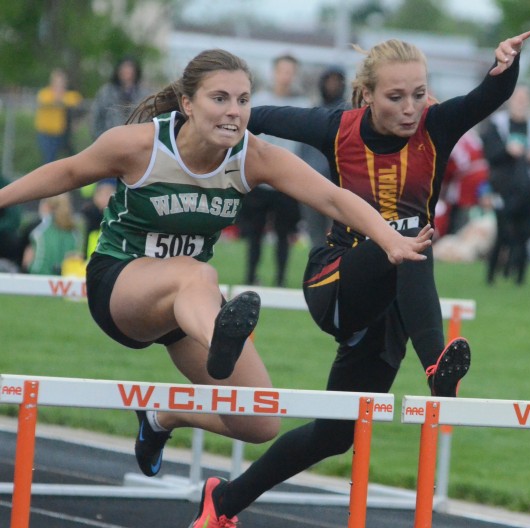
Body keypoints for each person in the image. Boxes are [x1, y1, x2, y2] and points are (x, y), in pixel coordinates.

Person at [179, 31, 530, 528]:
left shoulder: (437, 126)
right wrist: (201, 110)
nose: (412, 108)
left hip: (391, 312)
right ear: (366, 95)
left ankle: (223, 500)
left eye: (420, 93)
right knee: (410, 231)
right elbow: (258, 116)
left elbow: (488, 98)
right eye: (396, 97)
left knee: (334, 434)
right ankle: (437, 366)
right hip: (336, 285)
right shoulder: (335, 128)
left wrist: (504, 66)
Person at [0, 48, 431, 483]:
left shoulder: (252, 157)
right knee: (197, 271)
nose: (234, 112)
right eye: (220, 99)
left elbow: (332, 197)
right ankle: (220, 337)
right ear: (188, 104)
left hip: (189, 307)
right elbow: (68, 172)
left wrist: (390, 240)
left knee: (259, 422)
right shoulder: (141, 145)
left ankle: (163, 416)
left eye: (244, 101)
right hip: (121, 286)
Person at [238, 54, 308, 287]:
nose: (286, 76)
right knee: (254, 233)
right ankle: (250, 277)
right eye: (282, 71)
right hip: (259, 178)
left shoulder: (304, 105)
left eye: (290, 71)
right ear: (274, 72)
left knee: (284, 234)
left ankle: (280, 279)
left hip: (288, 180)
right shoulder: (258, 100)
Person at [482, 85, 530, 285]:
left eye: (525, 99)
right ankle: (492, 276)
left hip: (528, 190)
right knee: (503, 232)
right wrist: (507, 150)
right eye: (518, 98)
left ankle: (519, 278)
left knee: (524, 234)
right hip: (502, 188)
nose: (521, 103)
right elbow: (489, 154)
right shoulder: (498, 124)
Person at [85, 56, 151, 258]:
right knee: (102, 203)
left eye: (130, 69)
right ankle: (96, 249)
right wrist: (101, 141)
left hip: (136, 155)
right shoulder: (107, 92)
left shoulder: (143, 94)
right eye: (124, 69)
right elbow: (95, 118)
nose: (127, 73)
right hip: (110, 153)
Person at [296, 65, 350, 248]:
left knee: (340, 234)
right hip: (312, 182)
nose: (332, 85)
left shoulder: (348, 114)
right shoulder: (315, 112)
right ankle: (318, 272)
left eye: (336, 81)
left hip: (339, 184)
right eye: (329, 81)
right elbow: (303, 149)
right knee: (316, 236)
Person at [22, 193, 82, 275]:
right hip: (65, 282)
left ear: (47, 206)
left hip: (37, 276)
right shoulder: (75, 233)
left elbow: (27, 260)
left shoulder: (38, 228)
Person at [34, 69, 84, 164]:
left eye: (61, 81)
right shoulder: (45, 93)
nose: (59, 84)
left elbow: (77, 102)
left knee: (70, 159)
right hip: (46, 132)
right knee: (49, 160)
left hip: (63, 133)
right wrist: (61, 98)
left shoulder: (70, 94)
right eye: (56, 81)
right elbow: (51, 101)